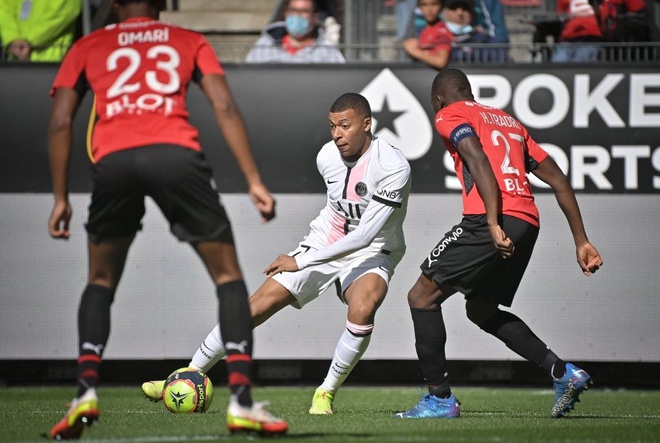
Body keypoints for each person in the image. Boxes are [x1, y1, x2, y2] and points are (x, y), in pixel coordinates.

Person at [47, 0, 287, 439]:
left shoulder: (87, 45)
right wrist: (254, 180)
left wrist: (60, 197)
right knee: (228, 277)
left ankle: (84, 391)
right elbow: (225, 107)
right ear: (162, 3)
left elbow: (62, 122)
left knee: (100, 281)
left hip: (113, 159)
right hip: (175, 154)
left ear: (114, 3)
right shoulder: (188, 40)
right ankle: (242, 403)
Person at [141, 92, 412, 416]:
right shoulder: (326, 157)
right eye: (331, 126)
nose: (337, 134)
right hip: (326, 241)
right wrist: (310, 254)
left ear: (366, 125)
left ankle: (324, 394)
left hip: (373, 248)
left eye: (344, 125)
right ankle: (186, 374)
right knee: (253, 308)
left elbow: (365, 234)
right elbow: (336, 213)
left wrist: (299, 261)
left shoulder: (393, 166)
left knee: (364, 306)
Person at [394, 68, 603, 419]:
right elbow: (559, 179)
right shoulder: (508, 122)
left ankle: (440, 400)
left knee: (421, 297)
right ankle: (562, 373)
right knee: (481, 309)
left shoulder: (450, 114)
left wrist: (491, 221)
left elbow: (477, 159)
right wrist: (581, 240)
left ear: (438, 100)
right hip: (527, 221)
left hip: (490, 220)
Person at [403, 0, 508, 71]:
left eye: (465, 8)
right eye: (454, 8)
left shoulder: (484, 40)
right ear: (444, 11)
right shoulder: (435, 32)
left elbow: (441, 62)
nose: (459, 13)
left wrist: (415, 51)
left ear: (472, 13)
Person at [245, 0, 345, 63]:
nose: (297, 15)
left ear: (315, 18)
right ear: (285, 14)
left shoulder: (327, 50)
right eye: (293, 10)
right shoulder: (264, 45)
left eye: (304, 11)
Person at [0, 0, 82, 61]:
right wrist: (13, 38)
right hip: (13, 60)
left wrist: (23, 41)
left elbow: (62, 13)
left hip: (52, 61)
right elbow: (3, 8)